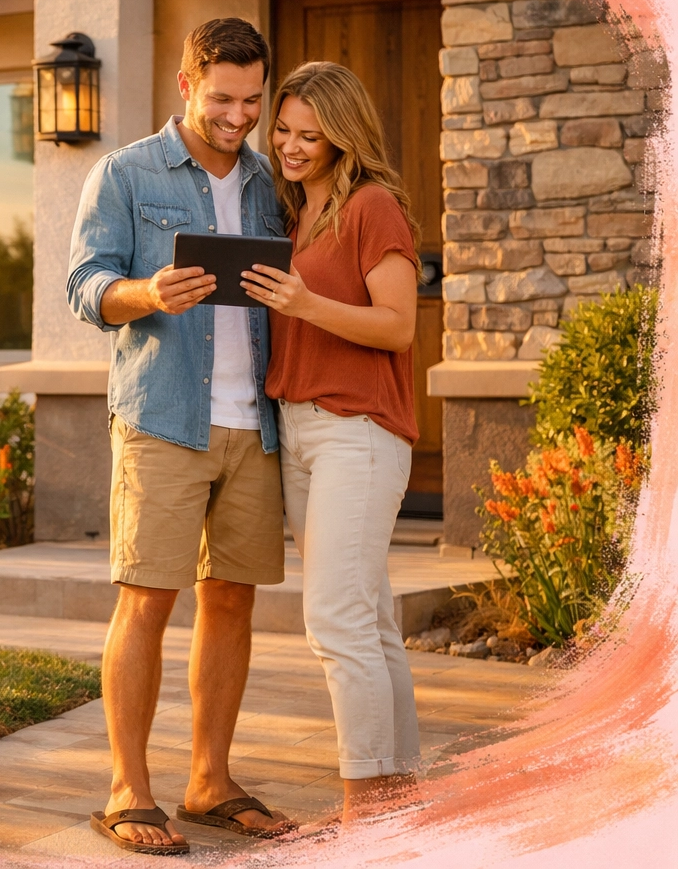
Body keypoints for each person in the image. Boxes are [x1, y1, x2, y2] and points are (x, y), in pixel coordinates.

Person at [67, 17, 293, 855]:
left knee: (231, 600)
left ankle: (209, 779)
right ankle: (129, 788)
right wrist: (148, 292)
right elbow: (85, 287)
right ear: (185, 84)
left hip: (253, 423)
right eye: (223, 98)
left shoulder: (270, 182)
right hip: (163, 417)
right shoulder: (125, 172)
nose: (239, 116)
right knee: (148, 598)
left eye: (253, 101)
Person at [241, 60, 423, 824]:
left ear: (343, 137)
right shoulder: (294, 217)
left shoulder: (373, 208)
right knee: (369, 618)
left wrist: (307, 302)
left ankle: (363, 808)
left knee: (336, 621)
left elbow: (399, 327)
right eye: (281, 129)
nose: (288, 144)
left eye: (309, 134)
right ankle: (401, 790)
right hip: (303, 430)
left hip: (360, 433)